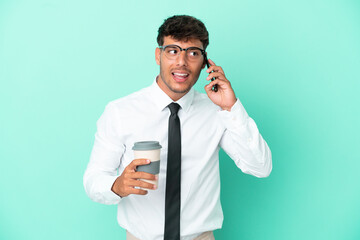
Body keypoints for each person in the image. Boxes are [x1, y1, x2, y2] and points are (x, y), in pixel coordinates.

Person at [83, 15, 272, 240]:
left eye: (193, 53)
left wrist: (232, 108)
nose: (182, 61)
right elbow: (94, 178)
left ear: (205, 62)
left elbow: (261, 167)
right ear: (158, 55)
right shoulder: (120, 111)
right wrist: (117, 185)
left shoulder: (217, 112)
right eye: (173, 50)